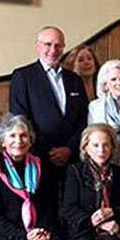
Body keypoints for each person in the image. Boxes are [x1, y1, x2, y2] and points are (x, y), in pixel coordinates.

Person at [9, 26, 89, 212]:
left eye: (58, 46)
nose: (53, 50)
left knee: (72, 207)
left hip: (72, 156)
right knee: (45, 210)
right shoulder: (23, 76)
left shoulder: (74, 79)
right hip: (39, 157)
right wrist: (50, 151)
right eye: (48, 44)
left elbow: (83, 118)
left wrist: (69, 148)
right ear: (38, 45)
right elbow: (21, 119)